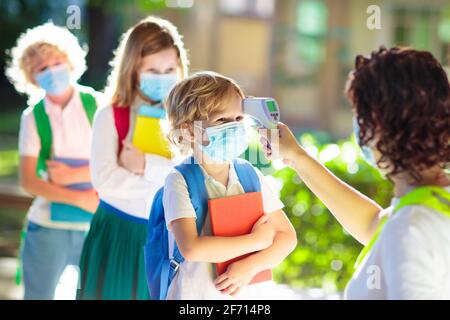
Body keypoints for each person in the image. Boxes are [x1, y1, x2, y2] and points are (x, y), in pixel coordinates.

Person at [260, 47, 450, 299]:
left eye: (359, 114)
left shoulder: (409, 227)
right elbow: (372, 224)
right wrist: (297, 157)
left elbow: (395, 230)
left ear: (380, 125)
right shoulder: (429, 204)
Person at [77, 16, 189, 300]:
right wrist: (167, 178)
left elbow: (193, 178)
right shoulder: (111, 115)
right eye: (152, 69)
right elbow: (105, 182)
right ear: (133, 69)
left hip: (169, 239)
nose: (162, 77)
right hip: (117, 233)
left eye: (170, 69)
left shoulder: (189, 120)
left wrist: (144, 166)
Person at [161, 71, 297, 299]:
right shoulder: (180, 180)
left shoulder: (249, 174)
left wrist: (251, 266)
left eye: (238, 119)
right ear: (188, 131)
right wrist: (257, 241)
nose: (234, 127)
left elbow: (287, 238)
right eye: (221, 120)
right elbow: (192, 248)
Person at [5, 22, 101, 299]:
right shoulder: (33, 117)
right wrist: (78, 198)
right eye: (42, 68)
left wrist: (72, 175)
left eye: (57, 62)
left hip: (95, 225)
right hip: (48, 226)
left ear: (70, 62)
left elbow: (118, 164)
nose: (51, 71)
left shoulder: (97, 105)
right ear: (31, 77)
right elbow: (29, 181)